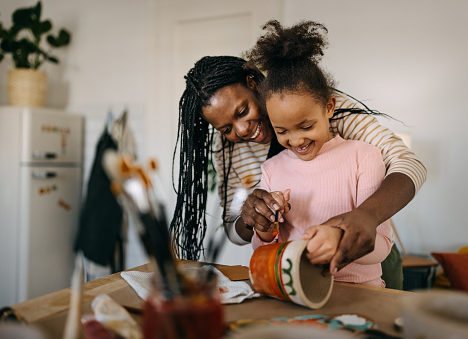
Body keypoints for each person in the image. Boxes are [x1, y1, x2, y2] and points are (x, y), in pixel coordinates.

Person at [170, 26, 426, 289]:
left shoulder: (317, 105)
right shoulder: (231, 151)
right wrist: (251, 218)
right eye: (226, 129)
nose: (242, 129)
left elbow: (409, 164)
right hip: (300, 276)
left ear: (252, 83)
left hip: (364, 251)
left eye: (243, 110)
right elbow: (235, 231)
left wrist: (367, 216)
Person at [248, 20, 392, 287]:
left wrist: (341, 239)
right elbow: (264, 249)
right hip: (299, 292)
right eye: (282, 131)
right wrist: (265, 230)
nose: (296, 140)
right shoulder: (272, 169)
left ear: (329, 107)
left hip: (359, 293)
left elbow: (382, 245)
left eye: (306, 126)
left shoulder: (364, 157)